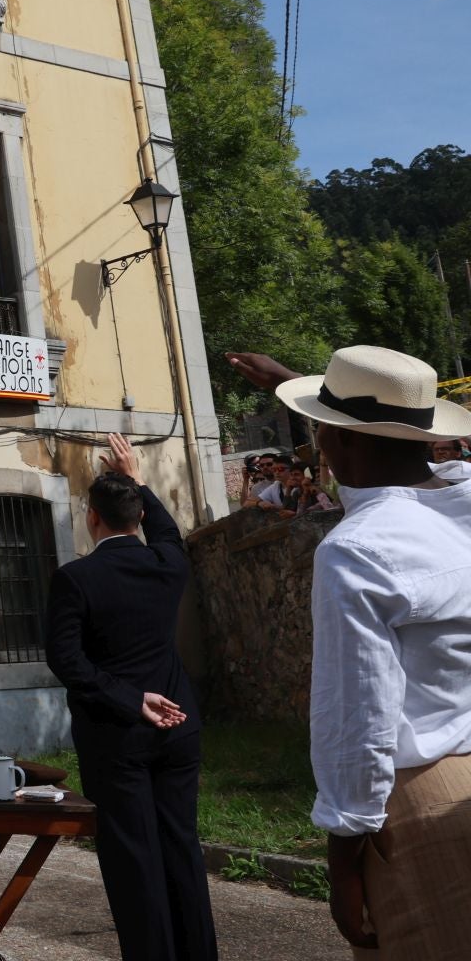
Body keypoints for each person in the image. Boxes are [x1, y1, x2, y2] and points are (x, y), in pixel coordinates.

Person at [227, 346, 471, 957]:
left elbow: (359, 718)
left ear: (340, 442)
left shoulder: (357, 550)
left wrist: (344, 857)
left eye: (323, 434)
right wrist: (307, 390)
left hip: (423, 797)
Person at [44, 434, 218, 961]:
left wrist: (127, 699)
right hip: (178, 726)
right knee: (181, 848)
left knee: (132, 859)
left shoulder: (75, 579)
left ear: (91, 518)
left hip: (116, 735)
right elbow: (168, 531)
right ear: (138, 516)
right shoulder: (168, 563)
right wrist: (137, 478)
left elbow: (67, 661)